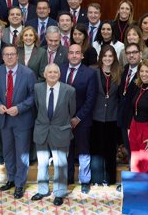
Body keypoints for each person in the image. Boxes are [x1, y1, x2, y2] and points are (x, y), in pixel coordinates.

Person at [0, 44, 36, 199]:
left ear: (17, 56)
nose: (9, 57)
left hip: (22, 120)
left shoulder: (28, 73)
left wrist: (19, 108)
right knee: (8, 152)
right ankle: (11, 179)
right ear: (2, 57)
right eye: (6, 54)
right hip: (4, 119)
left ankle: (20, 184)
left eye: (12, 54)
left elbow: (33, 96)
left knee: (21, 154)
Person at [31, 63, 76, 207]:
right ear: (45, 74)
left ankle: (59, 192)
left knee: (60, 164)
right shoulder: (37, 88)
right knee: (42, 164)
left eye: (55, 72)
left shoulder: (69, 90)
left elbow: (72, 111)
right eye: (49, 72)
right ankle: (42, 190)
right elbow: (38, 107)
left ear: (59, 74)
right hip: (42, 130)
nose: (52, 74)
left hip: (61, 131)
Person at [60, 44, 97, 194]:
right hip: (63, 120)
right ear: (67, 55)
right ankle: (68, 178)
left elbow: (91, 99)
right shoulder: (60, 70)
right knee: (66, 150)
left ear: (82, 56)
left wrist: (78, 118)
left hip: (82, 120)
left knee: (83, 151)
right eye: (71, 53)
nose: (74, 55)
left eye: (77, 53)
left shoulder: (90, 73)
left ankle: (85, 180)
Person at [90, 45, 121, 186]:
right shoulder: (93, 71)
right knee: (96, 149)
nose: (107, 59)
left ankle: (109, 179)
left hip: (112, 117)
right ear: (101, 57)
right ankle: (96, 179)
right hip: (96, 116)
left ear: (114, 58)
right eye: (105, 56)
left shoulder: (119, 73)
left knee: (110, 150)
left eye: (110, 56)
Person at [118, 42, 142, 157]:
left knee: (136, 154)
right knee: (129, 151)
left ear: (140, 54)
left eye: (134, 52)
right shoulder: (126, 69)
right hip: (124, 118)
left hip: (136, 121)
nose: (131, 55)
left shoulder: (144, 71)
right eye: (128, 53)